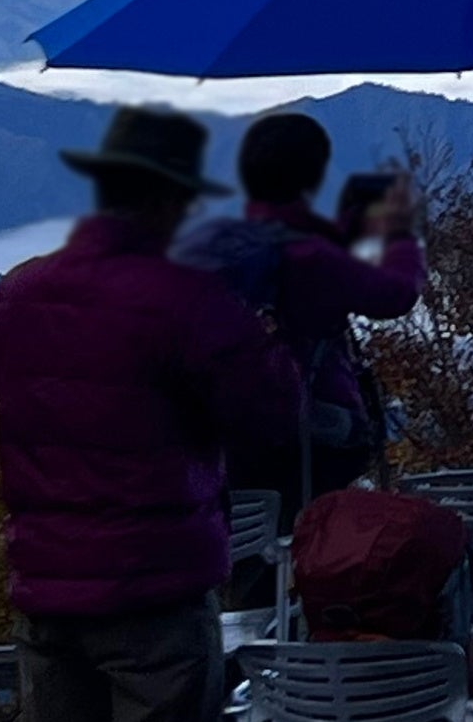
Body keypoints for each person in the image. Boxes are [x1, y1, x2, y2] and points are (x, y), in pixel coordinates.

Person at [0, 107, 299, 722]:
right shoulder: (189, 303)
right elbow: (270, 417)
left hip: (45, 586)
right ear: (168, 201)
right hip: (156, 587)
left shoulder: (16, 293)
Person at [178, 111, 424, 528]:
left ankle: (253, 588)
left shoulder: (208, 246)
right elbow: (396, 294)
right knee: (307, 541)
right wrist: (398, 234)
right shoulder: (311, 256)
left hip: (218, 436)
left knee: (249, 545)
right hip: (314, 434)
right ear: (314, 178)